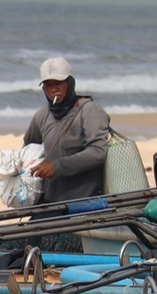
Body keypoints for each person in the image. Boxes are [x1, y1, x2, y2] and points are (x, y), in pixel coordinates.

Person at [23, 57, 111, 203]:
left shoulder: (89, 110)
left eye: (58, 83)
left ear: (69, 83)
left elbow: (98, 151)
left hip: (85, 201)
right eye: (48, 85)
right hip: (50, 201)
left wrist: (57, 166)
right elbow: (28, 149)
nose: (53, 89)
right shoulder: (42, 116)